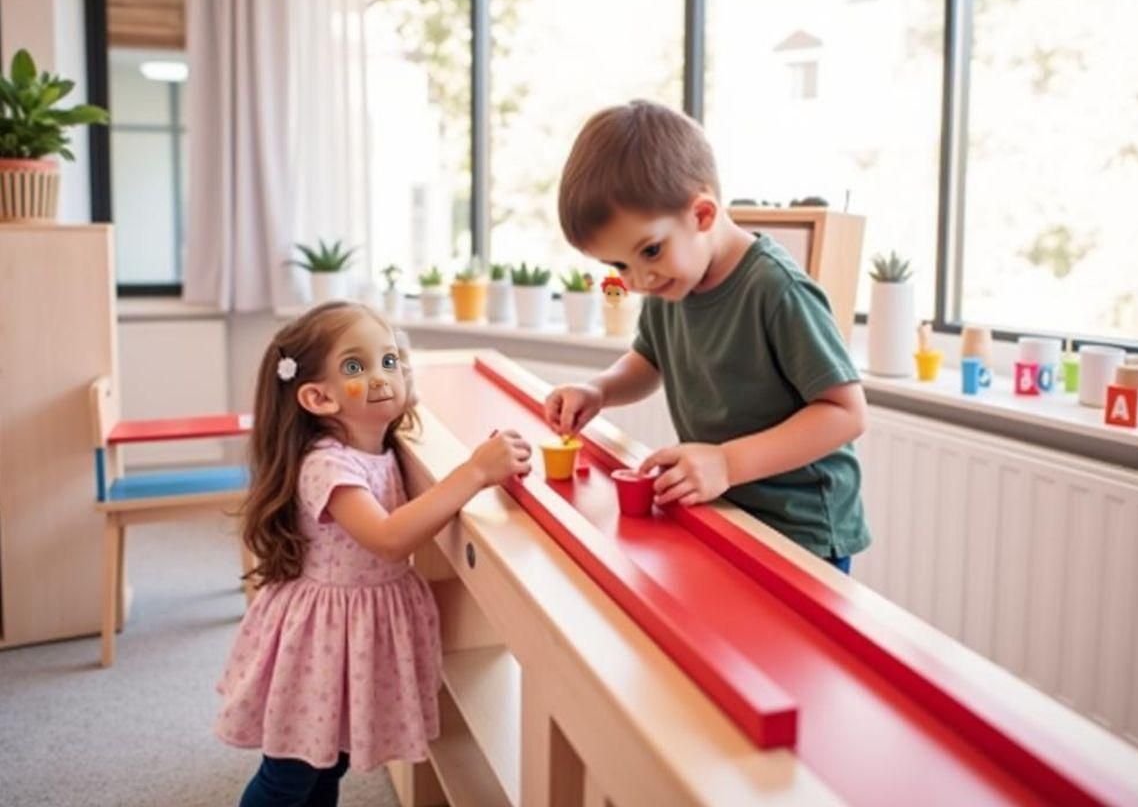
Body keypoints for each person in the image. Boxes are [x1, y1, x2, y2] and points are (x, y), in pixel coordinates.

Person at [216, 301, 531, 806]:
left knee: (329, 762)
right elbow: (388, 537)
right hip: (319, 639)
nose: (382, 376)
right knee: (290, 774)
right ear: (318, 397)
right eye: (355, 367)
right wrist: (474, 473)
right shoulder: (326, 466)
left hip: (353, 631)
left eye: (389, 361)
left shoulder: (382, 449)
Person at [544, 100, 870, 572]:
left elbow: (846, 413)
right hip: (726, 510)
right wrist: (599, 391)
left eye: (649, 250)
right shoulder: (669, 281)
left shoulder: (776, 288)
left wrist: (727, 463)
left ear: (702, 214)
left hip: (801, 532)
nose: (637, 280)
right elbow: (647, 359)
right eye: (619, 265)